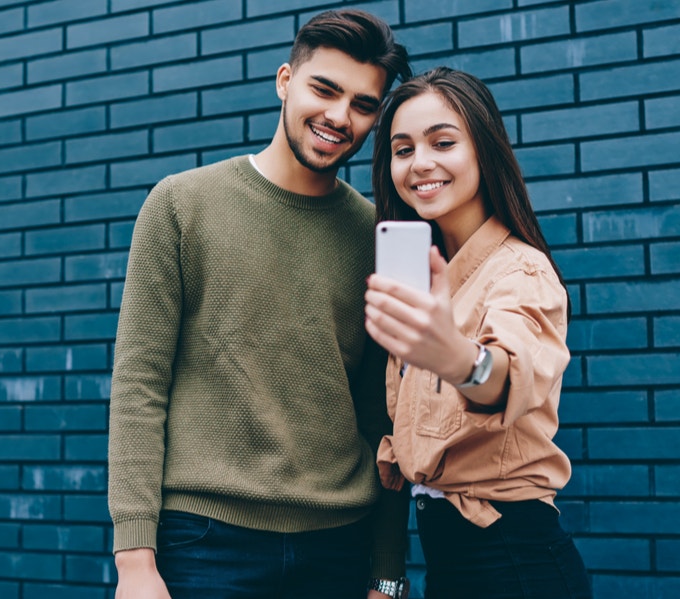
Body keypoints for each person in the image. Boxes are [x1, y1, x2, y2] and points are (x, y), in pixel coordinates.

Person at [107, 9, 412, 599]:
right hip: (203, 544)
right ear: (284, 81)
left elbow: (387, 413)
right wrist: (135, 561)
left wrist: (387, 571)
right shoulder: (180, 205)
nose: (338, 116)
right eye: (323, 89)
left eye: (363, 104)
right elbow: (139, 384)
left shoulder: (379, 237)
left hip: (339, 546)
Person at [364, 67, 593, 599]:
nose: (420, 163)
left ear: (484, 149)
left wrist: (463, 362)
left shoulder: (520, 271)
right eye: (402, 149)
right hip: (451, 567)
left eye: (443, 142)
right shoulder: (426, 278)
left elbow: (511, 373)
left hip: (515, 564)